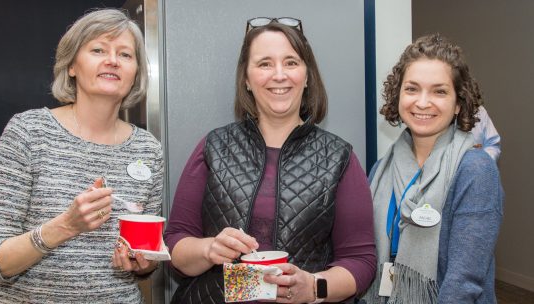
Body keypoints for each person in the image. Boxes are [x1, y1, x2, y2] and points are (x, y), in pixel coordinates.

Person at [164, 17, 376, 303]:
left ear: (307, 75)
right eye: (265, 63)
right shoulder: (214, 147)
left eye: (291, 62)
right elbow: (176, 242)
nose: (279, 75)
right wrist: (208, 249)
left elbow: (360, 261)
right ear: (247, 80)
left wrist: (313, 287)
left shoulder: (339, 157)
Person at [0, 9, 164, 303]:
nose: (112, 60)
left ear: (135, 72)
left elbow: (144, 261)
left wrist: (144, 265)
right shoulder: (28, 132)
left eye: (125, 55)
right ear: (71, 65)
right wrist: (67, 226)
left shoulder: (148, 149)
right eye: (98, 49)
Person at [362, 34, 504, 303]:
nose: (423, 102)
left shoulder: (476, 170)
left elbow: (464, 283)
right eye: (412, 89)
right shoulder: (382, 168)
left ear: (458, 103)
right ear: (398, 95)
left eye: (439, 91)